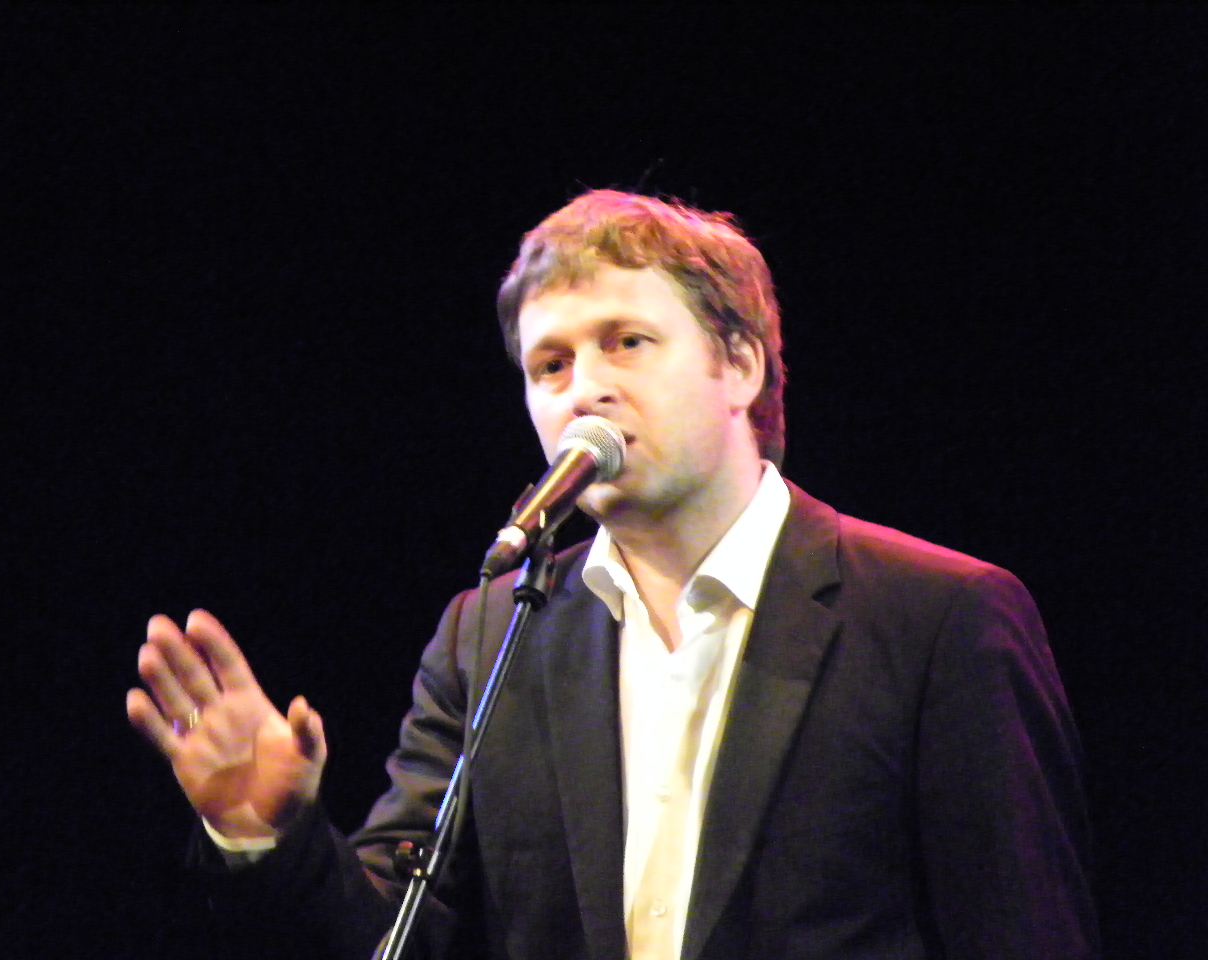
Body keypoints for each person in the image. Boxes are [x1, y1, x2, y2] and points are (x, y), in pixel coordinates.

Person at [127, 190, 1101, 959]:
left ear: (739, 365)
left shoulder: (937, 617)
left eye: (626, 343)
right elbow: (404, 935)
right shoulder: (490, 632)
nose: (584, 388)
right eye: (549, 365)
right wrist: (273, 834)